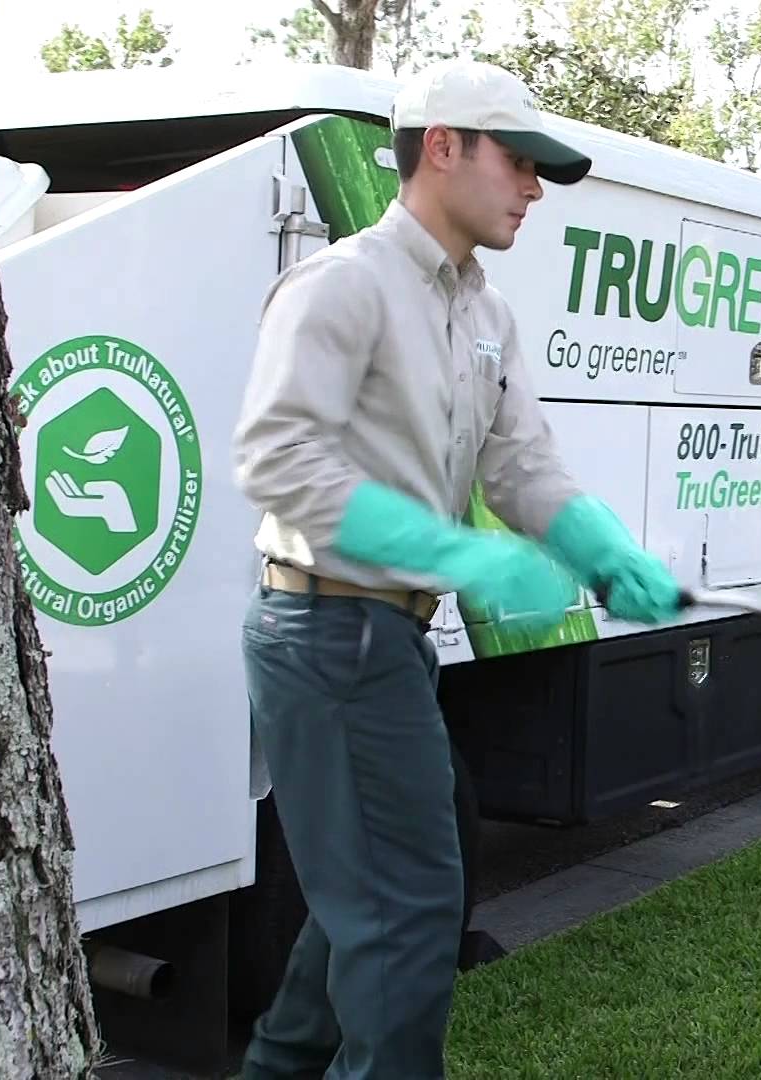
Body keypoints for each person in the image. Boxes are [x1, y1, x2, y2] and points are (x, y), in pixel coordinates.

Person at [229, 58, 681, 1080]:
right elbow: (275, 457)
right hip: (323, 632)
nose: (531, 187)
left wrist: (594, 546)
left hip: (386, 641)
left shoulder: (486, 315)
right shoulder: (343, 284)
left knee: (367, 903)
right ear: (442, 147)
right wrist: (456, 552)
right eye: (518, 162)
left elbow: (521, 464)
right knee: (410, 911)